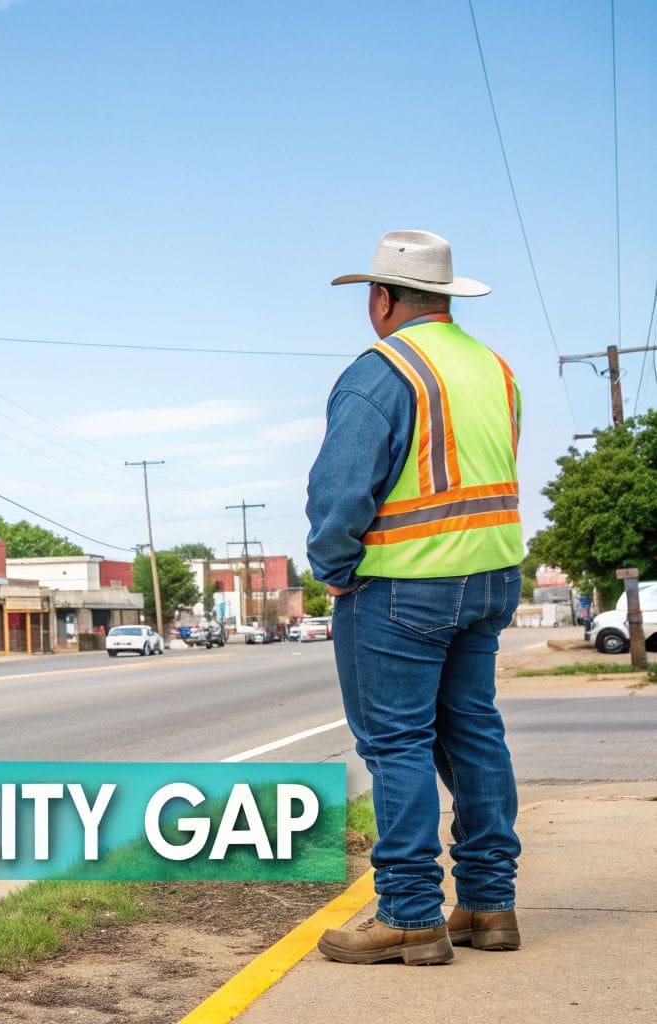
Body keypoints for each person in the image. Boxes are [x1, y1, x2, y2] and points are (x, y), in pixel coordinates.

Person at [306, 230, 525, 966]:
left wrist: (333, 567)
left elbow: (339, 493)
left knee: (396, 744)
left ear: (382, 298)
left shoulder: (381, 372)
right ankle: (490, 906)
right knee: (474, 733)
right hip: (492, 577)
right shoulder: (495, 369)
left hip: (402, 585)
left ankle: (409, 915)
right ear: (448, 298)